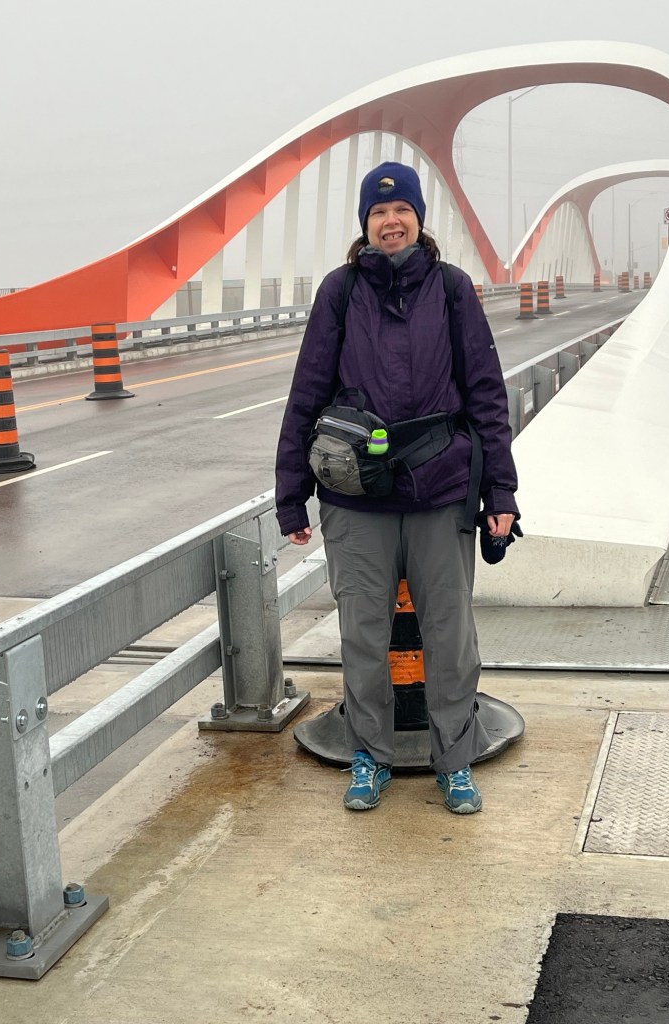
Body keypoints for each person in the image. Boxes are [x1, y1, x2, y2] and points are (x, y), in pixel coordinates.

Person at [274, 161, 519, 814]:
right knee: (362, 636)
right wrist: (290, 493)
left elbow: (487, 395)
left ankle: (455, 761)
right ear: (365, 224)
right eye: (378, 213)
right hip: (357, 498)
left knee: (451, 636)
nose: (391, 221)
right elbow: (308, 391)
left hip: (442, 493)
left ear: (418, 218)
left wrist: (501, 493)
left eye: (401, 210)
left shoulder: (452, 288)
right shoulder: (340, 291)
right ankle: (369, 756)